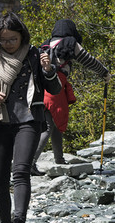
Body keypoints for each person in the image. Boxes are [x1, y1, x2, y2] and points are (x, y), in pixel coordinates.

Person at [0, 12, 61, 223]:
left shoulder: (35, 56)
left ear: (22, 36)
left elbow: (54, 88)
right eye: (4, 40)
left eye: (13, 39)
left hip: (29, 119)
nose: (9, 44)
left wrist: (49, 69)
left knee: (21, 171)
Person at [33, 19, 109, 170]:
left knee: (54, 123)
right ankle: (28, 163)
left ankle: (59, 159)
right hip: (55, 88)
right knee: (48, 125)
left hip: (41, 88)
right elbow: (89, 60)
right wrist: (104, 73)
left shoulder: (45, 45)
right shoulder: (70, 43)